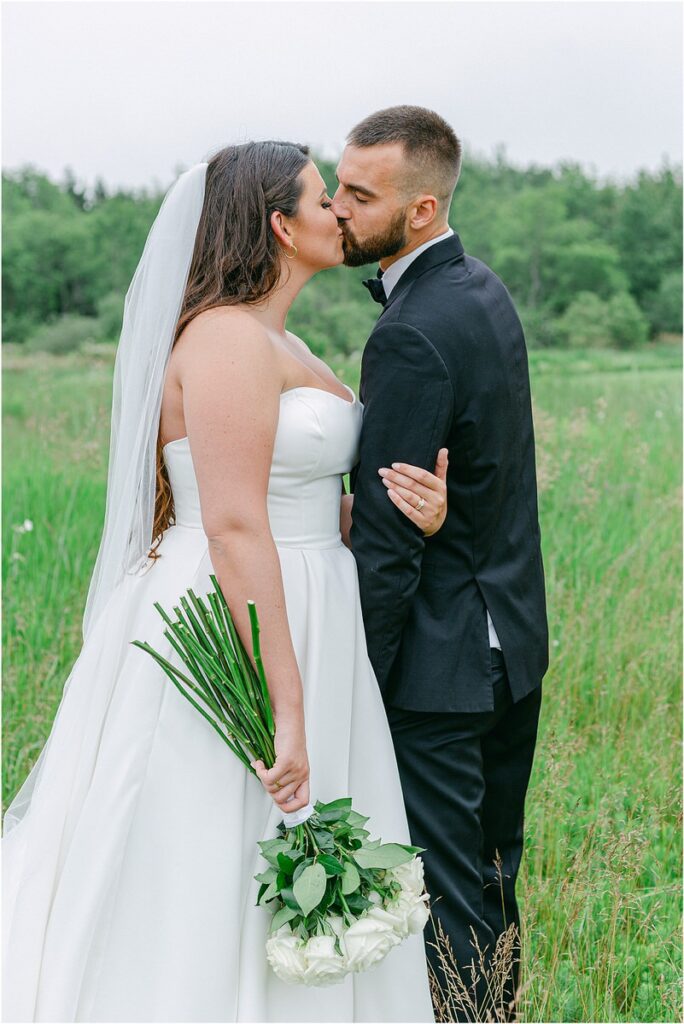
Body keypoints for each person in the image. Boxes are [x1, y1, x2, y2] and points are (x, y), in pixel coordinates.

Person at [2, 142, 448, 1022]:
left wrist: (402, 513)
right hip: (235, 613)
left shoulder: (282, 338)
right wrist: (287, 706)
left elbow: (302, 491)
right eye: (324, 201)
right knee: (205, 839)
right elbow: (238, 524)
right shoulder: (225, 340)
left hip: (310, 600)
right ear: (282, 226)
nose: (340, 215)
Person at [332, 106, 549, 1021]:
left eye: (360, 193)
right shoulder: (484, 290)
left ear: (420, 209)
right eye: (337, 185)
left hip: (440, 668)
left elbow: (385, 544)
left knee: (451, 896)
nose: (339, 206)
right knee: (493, 874)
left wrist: (360, 679)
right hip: (511, 647)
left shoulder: (410, 332)